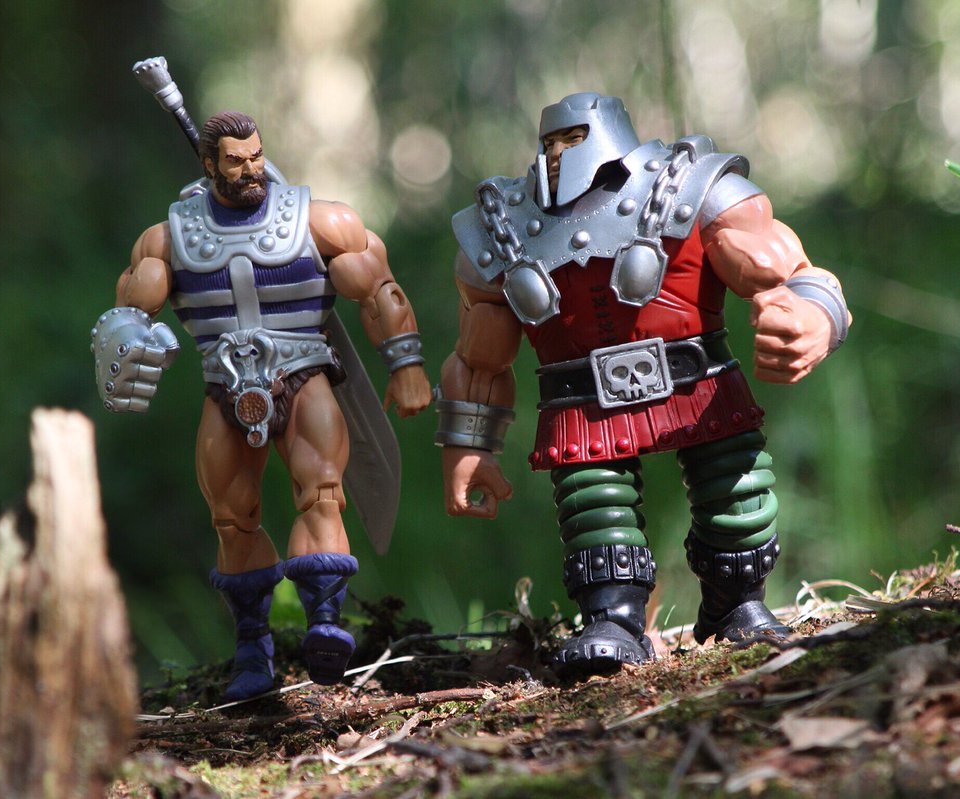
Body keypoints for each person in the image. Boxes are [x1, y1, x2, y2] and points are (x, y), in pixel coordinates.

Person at [438, 93, 850, 673]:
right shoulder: (503, 226)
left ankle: (737, 606)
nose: (560, 153)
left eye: (574, 139)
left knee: (735, 497)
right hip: (583, 404)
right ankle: (613, 620)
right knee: (595, 510)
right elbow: (480, 356)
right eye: (552, 142)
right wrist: (468, 445)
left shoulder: (696, 189)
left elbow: (792, 272)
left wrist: (813, 318)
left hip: (699, 386)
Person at [92, 111, 431, 698]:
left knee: (322, 491)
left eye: (256, 156)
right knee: (231, 515)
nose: (250, 169)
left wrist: (407, 368)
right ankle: (253, 647)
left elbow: (380, 291)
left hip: (303, 375)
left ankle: (325, 625)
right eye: (235, 160)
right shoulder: (168, 240)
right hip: (223, 388)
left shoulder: (318, 221)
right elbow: (127, 318)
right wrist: (124, 360)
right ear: (209, 164)